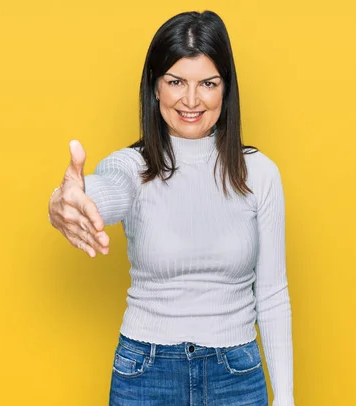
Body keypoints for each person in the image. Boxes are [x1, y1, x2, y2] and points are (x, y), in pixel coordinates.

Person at [48, 10, 295, 406]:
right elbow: (104, 190)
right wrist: (64, 201)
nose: (191, 100)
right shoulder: (132, 166)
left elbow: (272, 294)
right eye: (176, 81)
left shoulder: (260, 174)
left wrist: (285, 399)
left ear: (226, 89)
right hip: (146, 373)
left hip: (237, 374)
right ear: (155, 87)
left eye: (208, 83)